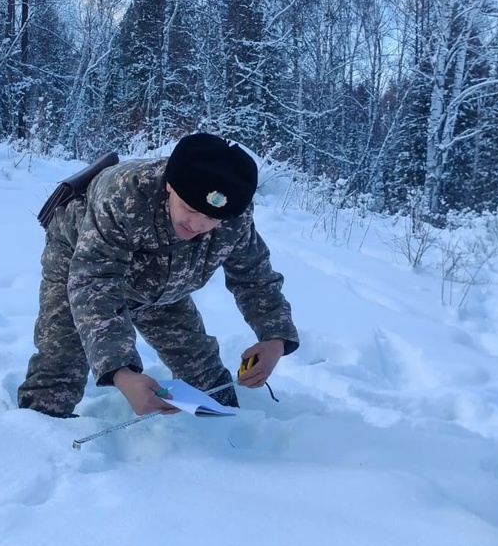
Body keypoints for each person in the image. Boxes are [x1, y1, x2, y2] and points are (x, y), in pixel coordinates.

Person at [17, 132, 299, 418]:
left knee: (203, 370)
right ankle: (39, 438)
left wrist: (275, 337)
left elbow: (254, 276)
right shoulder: (124, 194)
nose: (199, 224)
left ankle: (227, 434)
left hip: (162, 280)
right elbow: (95, 281)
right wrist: (121, 372)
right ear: (169, 187)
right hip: (79, 260)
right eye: (190, 209)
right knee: (60, 362)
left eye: (212, 218)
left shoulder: (233, 213)